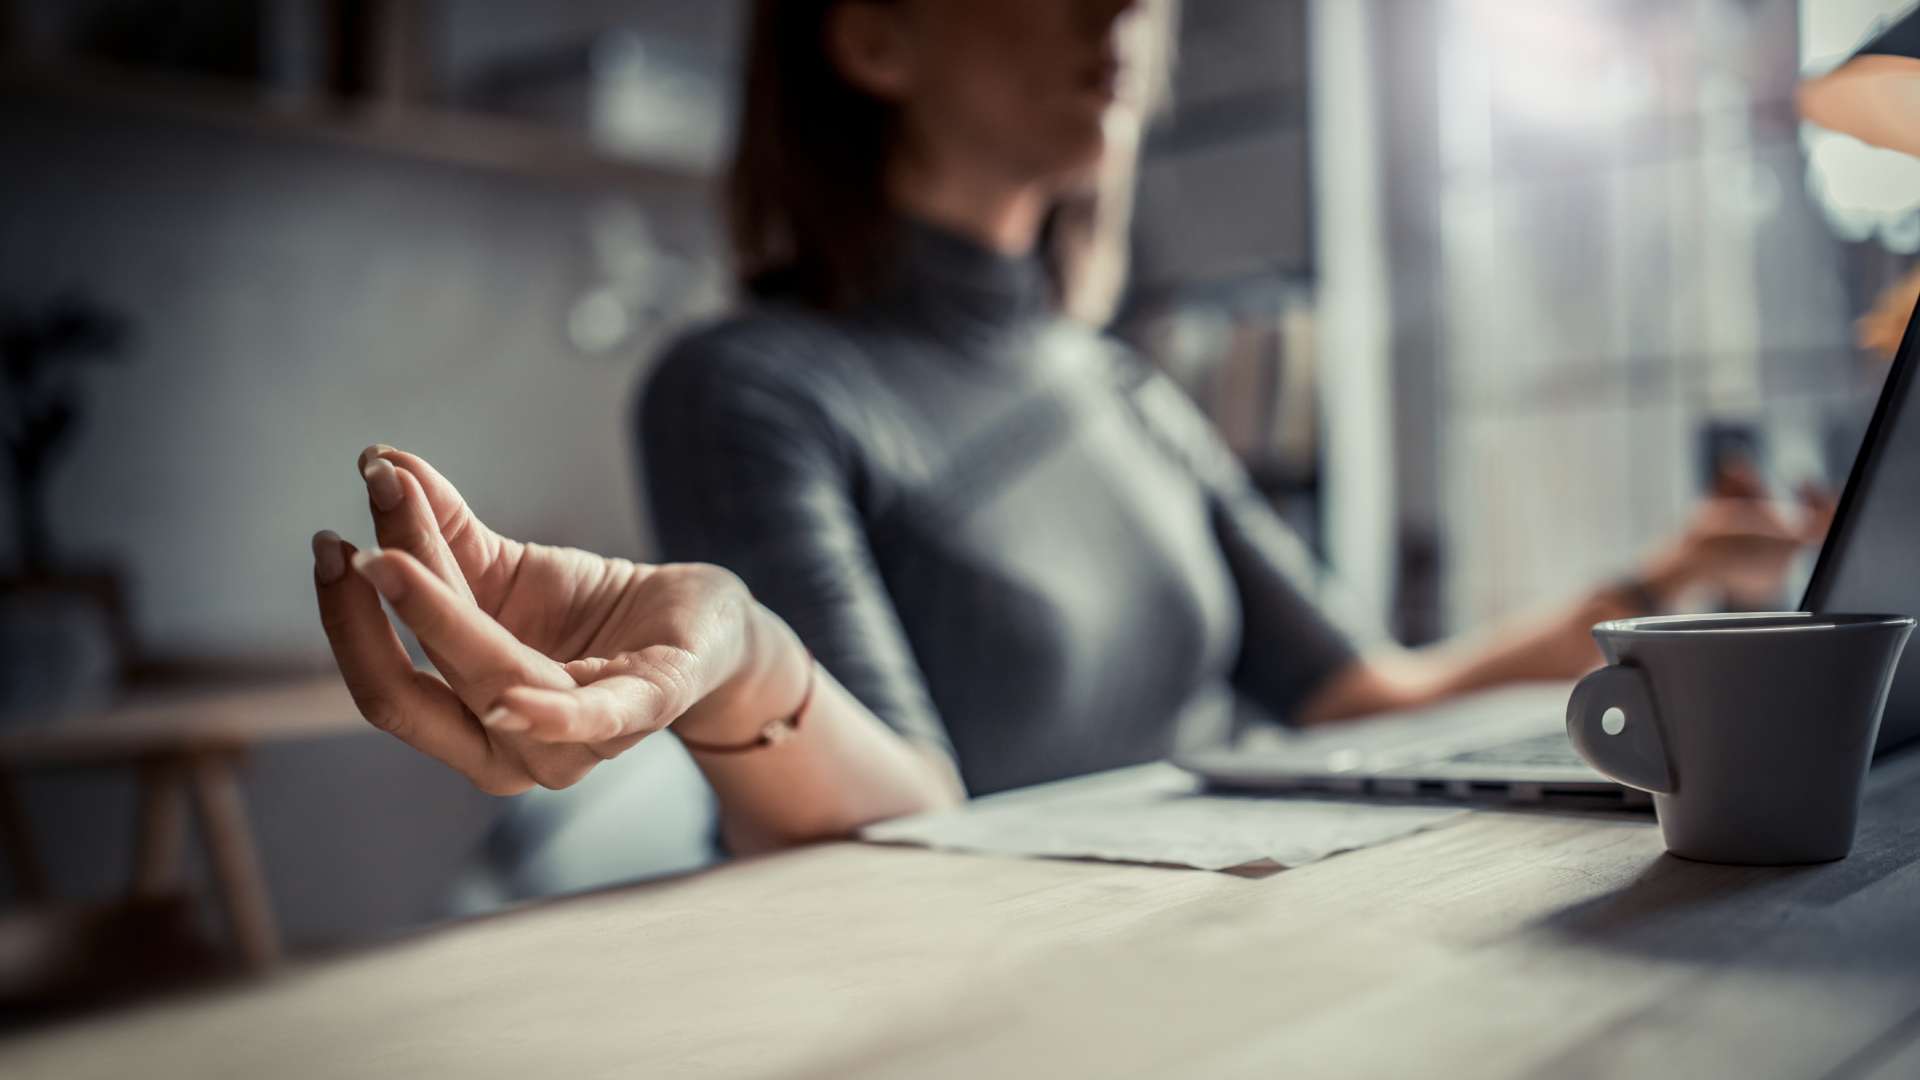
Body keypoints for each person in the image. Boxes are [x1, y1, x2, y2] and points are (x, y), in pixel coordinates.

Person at [311, 0, 1823, 853]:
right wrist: (744, 647)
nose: (1123, 10)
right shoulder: (751, 384)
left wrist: (1654, 598)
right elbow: (898, 842)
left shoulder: (1118, 390)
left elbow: (1361, 698)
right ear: (874, 38)